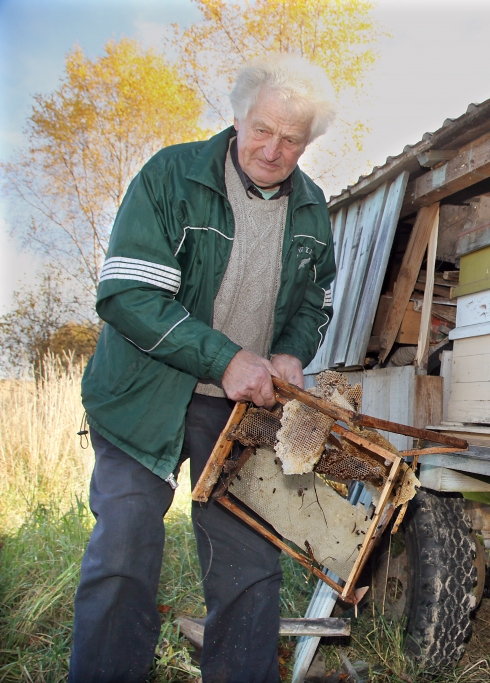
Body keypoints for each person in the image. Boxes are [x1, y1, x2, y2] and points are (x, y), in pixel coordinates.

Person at [71, 54, 338, 683]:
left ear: (308, 142)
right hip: (144, 395)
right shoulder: (171, 175)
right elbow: (128, 295)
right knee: (124, 552)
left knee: (251, 563)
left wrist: (291, 352)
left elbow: (315, 300)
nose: (274, 149)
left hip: (241, 410)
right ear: (239, 117)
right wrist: (224, 358)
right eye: (263, 129)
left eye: (292, 138)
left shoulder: (312, 208)